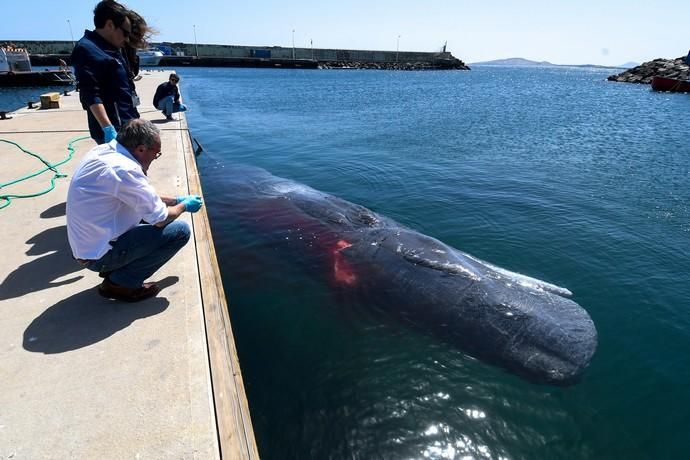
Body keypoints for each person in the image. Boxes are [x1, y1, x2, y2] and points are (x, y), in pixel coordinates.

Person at [66, 119, 204, 302]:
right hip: (98, 255)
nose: (155, 158)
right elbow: (161, 219)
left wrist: (174, 200)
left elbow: (140, 195)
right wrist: (184, 206)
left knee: (149, 216)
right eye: (156, 154)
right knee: (179, 231)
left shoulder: (104, 152)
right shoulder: (125, 170)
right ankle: (120, 284)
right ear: (140, 149)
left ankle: (116, 269)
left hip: (89, 246)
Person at [71, 0, 141, 144]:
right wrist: (108, 129)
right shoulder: (87, 49)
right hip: (114, 129)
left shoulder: (112, 48)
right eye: (125, 33)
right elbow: (90, 94)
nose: (127, 38)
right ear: (110, 25)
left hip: (127, 124)